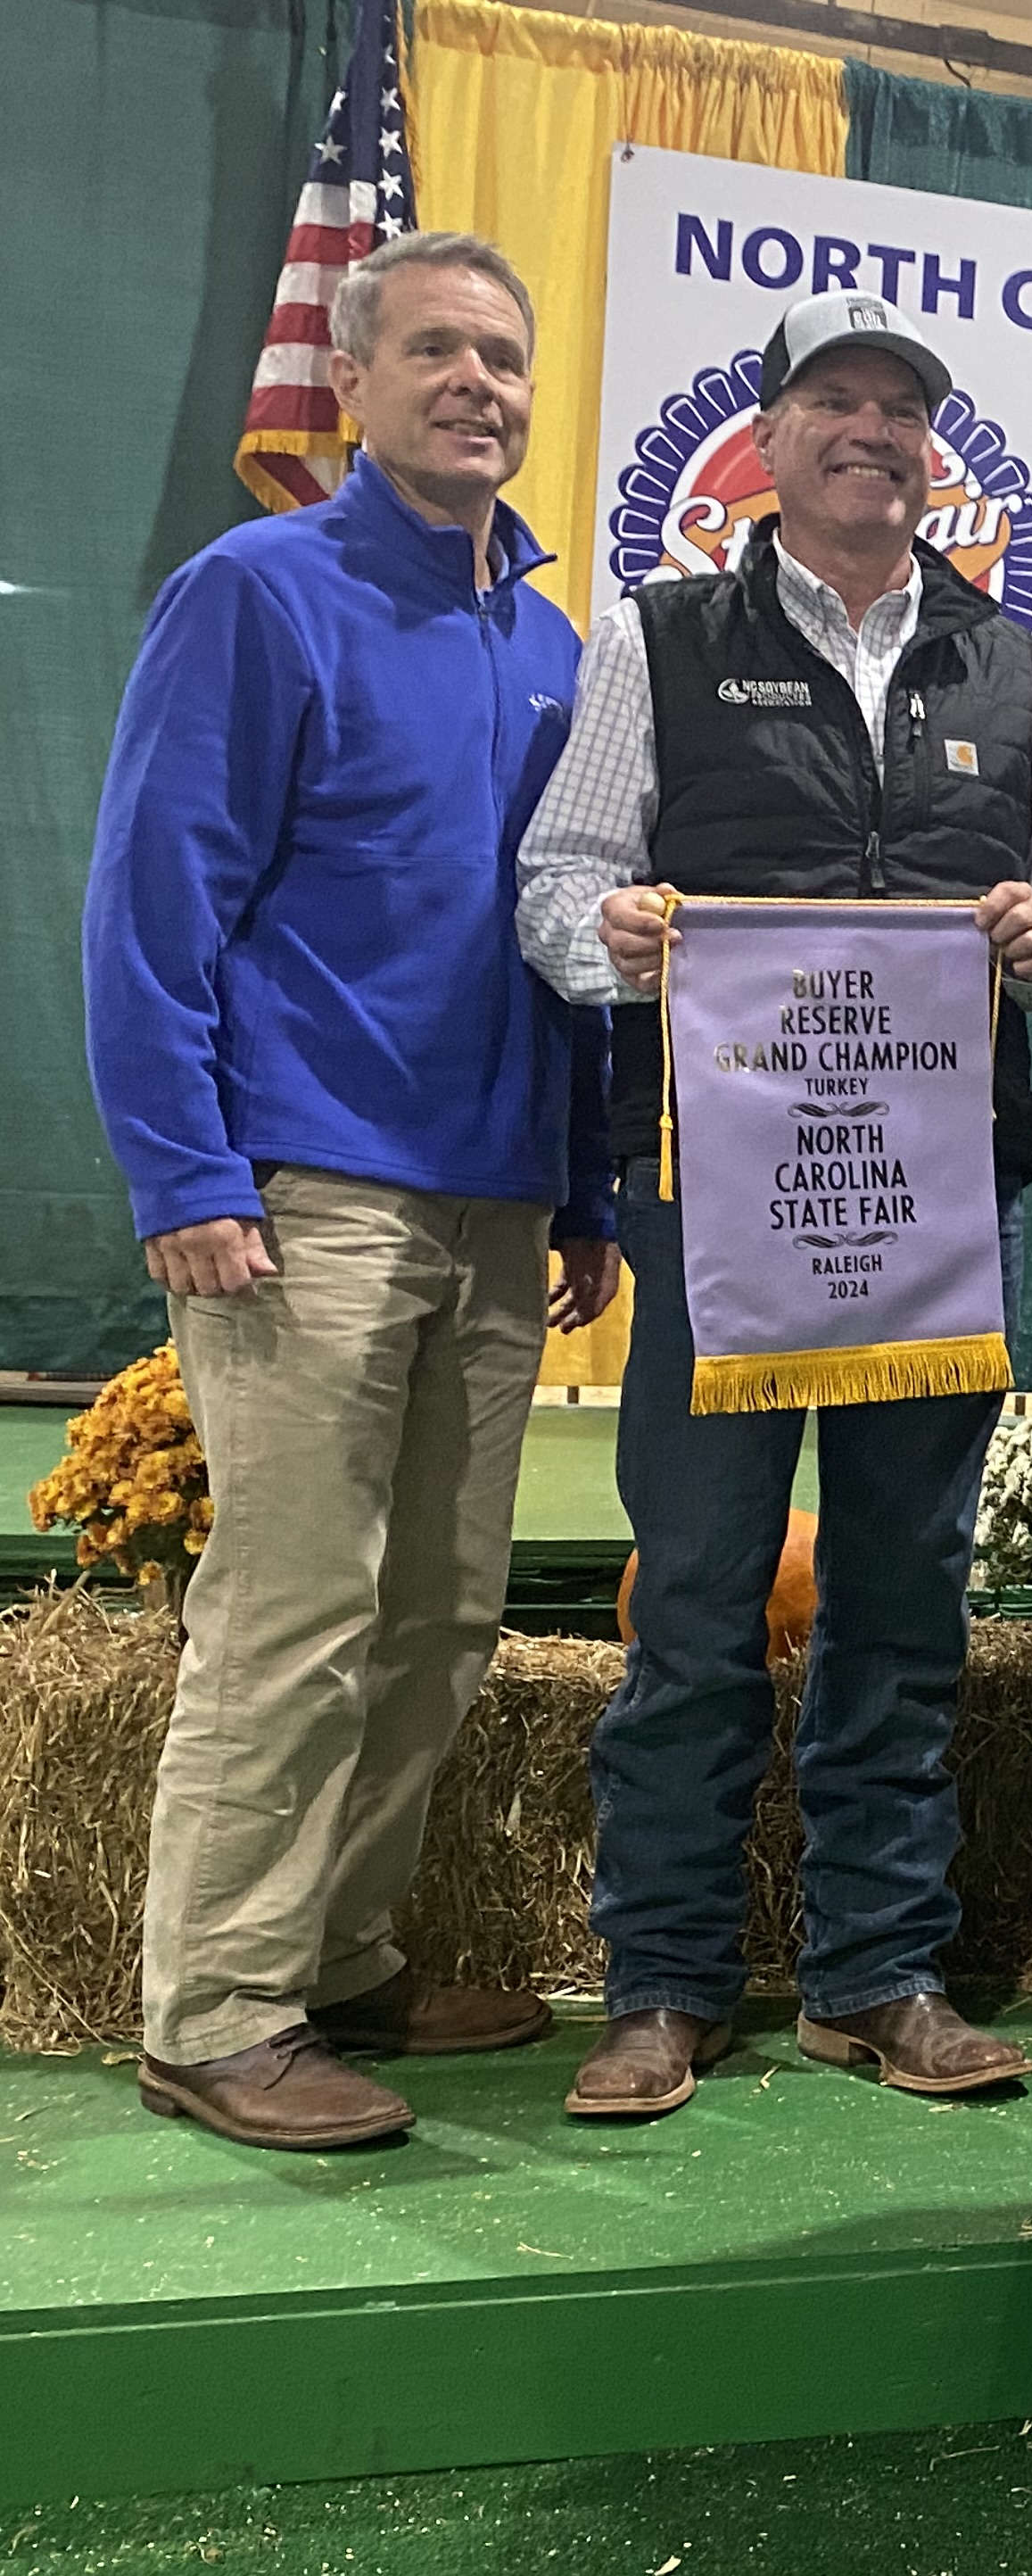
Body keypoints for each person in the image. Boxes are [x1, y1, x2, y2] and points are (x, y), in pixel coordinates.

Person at [517, 292, 1032, 2121]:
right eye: (834, 400)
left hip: (936, 1190)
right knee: (698, 1590)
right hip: (713, 1195)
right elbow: (557, 879)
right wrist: (609, 939)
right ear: (766, 444)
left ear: (932, 452)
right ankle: (665, 1981)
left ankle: (878, 1972)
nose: (871, 429)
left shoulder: (1011, 664)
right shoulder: (660, 637)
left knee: (905, 1595)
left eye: (901, 408)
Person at [86, 230, 615, 2151]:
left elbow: (571, 943)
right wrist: (183, 1166)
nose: (476, 381)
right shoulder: (258, 592)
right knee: (298, 1606)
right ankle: (215, 2007)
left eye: (503, 353)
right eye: (440, 351)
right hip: (305, 1185)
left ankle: (341, 1952)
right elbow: (153, 903)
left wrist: (584, 1192)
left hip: (493, 1195)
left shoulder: (559, 646)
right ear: (356, 371)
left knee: (446, 1612)